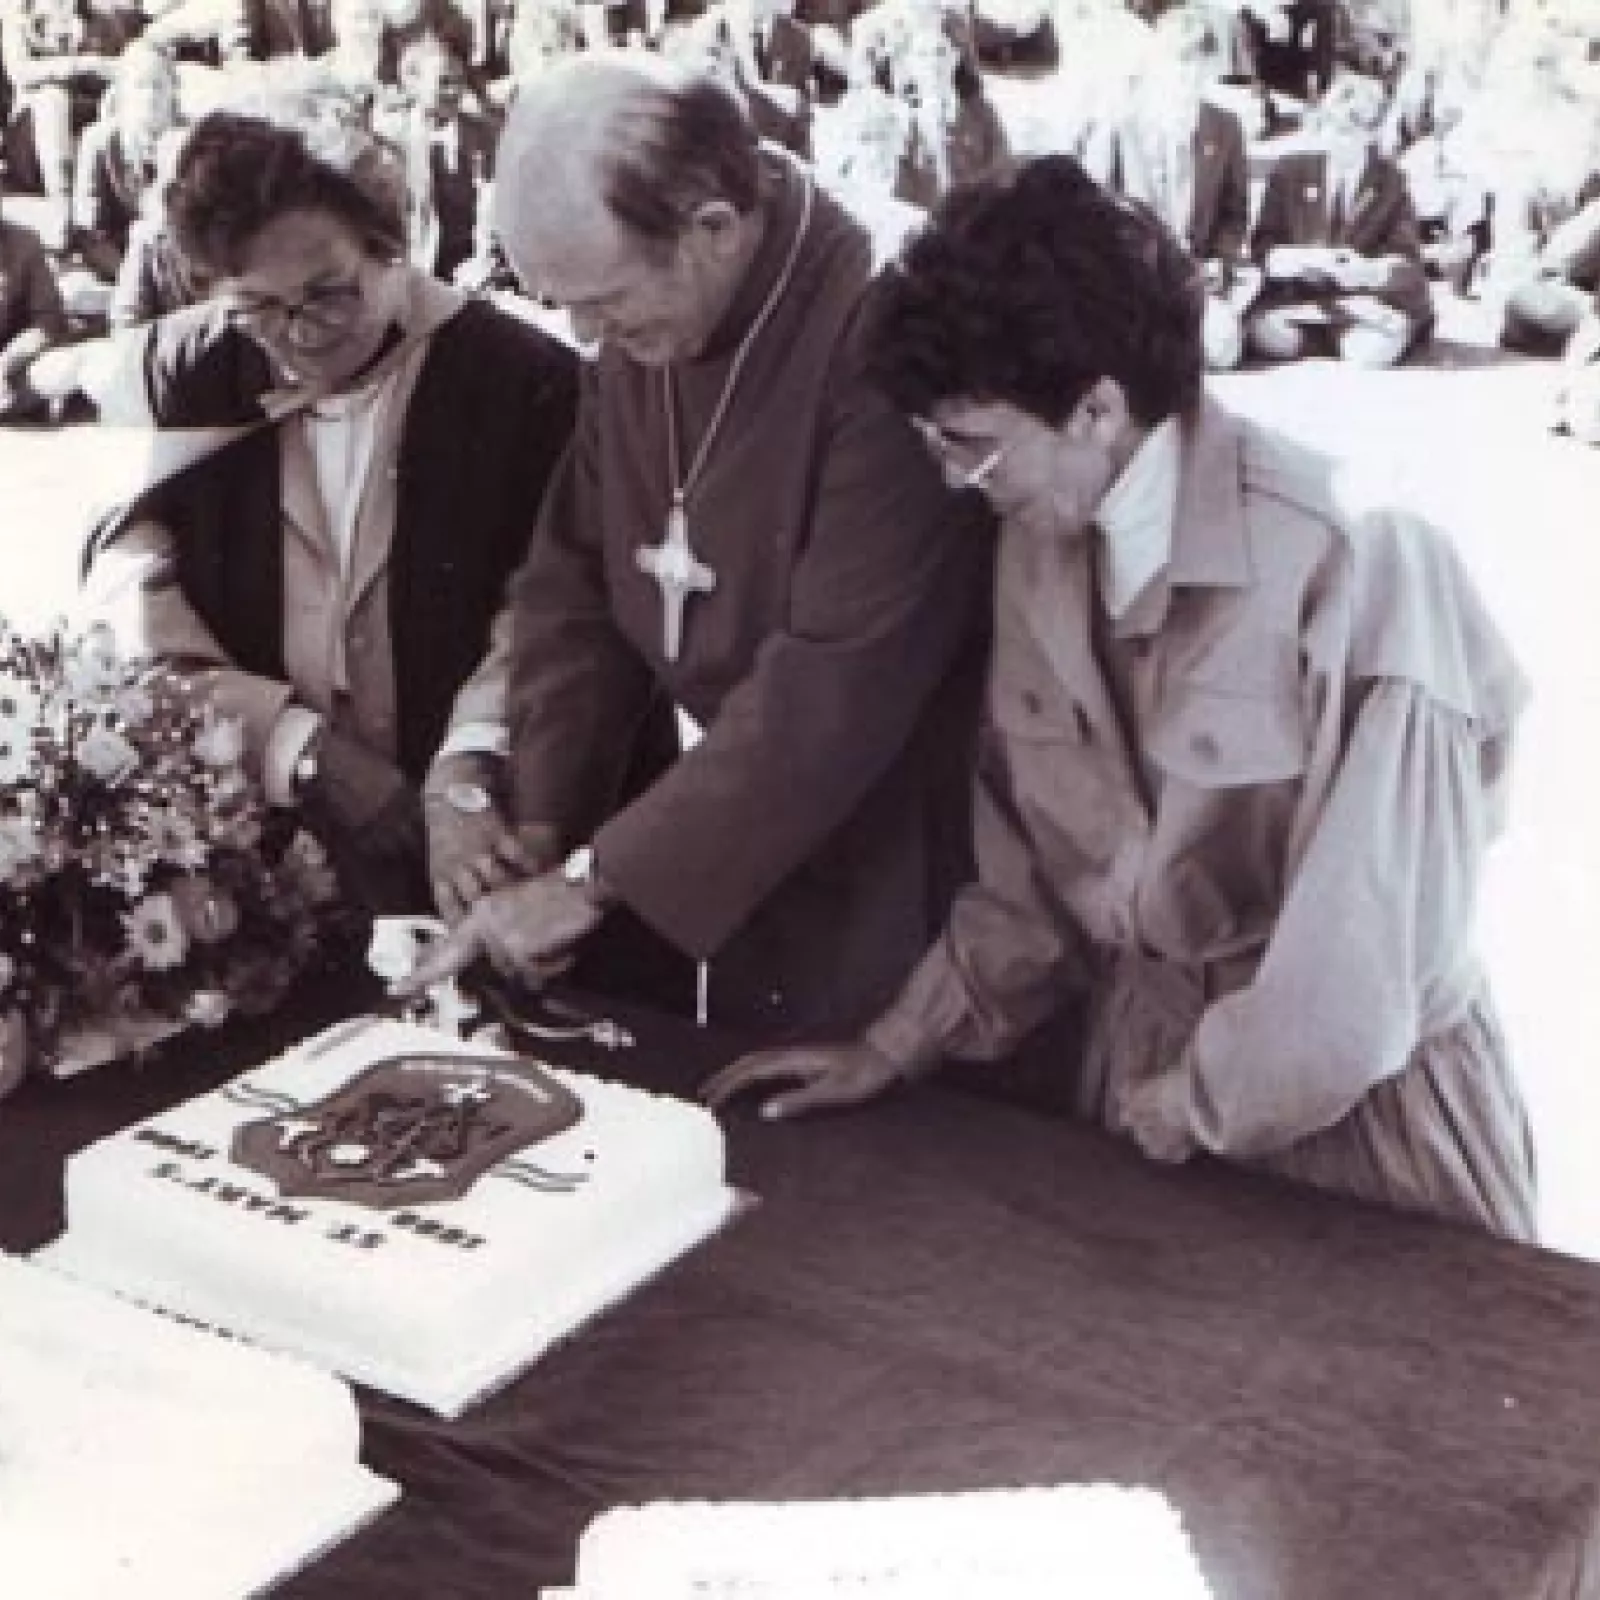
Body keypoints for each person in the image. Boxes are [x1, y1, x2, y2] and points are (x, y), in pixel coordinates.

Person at [705, 155, 1539, 1243]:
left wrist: (1194, 1101)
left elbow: (1352, 987)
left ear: (1096, 408)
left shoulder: (1363, 555)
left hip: (1365, 1141)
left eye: (967, 441)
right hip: (1145, 1095)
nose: (955, 478)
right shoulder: (1038, 544)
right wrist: (900, 1038)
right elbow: (1030, 885)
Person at [399, 53, 990, 1038]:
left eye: (604, 300)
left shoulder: (882, 312)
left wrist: (596, 882)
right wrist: (542, 818)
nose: (584, 337)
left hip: (911, 854)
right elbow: (574, 581)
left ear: (712, 229)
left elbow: (836, 680)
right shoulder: (647, 317)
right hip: (733, 834)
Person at [82, 104, 579, 912]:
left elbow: (552, 606)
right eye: (256, 306)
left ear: (392, 249)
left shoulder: (521, 380)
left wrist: (465, 770)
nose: (299, 335)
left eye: (328, 295)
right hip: (267, 831)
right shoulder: (186, 371)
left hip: (486, 824)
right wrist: (291, 744)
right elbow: (128, 595)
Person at [1245, 68, 1433, 369]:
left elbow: (1408, 262)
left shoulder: (1391, 182)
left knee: (1368, 355)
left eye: (1349, 130)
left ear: (1371, 135)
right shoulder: (1289, 171)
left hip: (1366, 300)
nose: (1335, 138)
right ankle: (1323, 339)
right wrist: (1295, 259)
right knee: (1266, 336)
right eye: (1329, 126)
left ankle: (1339, 339)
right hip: (1301, 299)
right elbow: (1262, 245)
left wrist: (1366, 271)